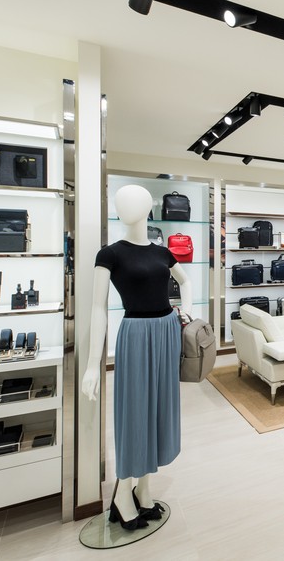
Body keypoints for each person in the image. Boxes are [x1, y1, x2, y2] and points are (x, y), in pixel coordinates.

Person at [81, 185, 191, 530]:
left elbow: (185, 282)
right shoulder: (110, 254)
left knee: (159, 408)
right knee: (135, 412)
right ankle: (122, 493)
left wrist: (187, 310)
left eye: (133, 202)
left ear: (147, 209)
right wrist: (92, 365)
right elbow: (97, 309)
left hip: (166, 330)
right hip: (136, 333)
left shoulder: (162, 252)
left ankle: (144, 490)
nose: (124, 207)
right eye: (120, 202)